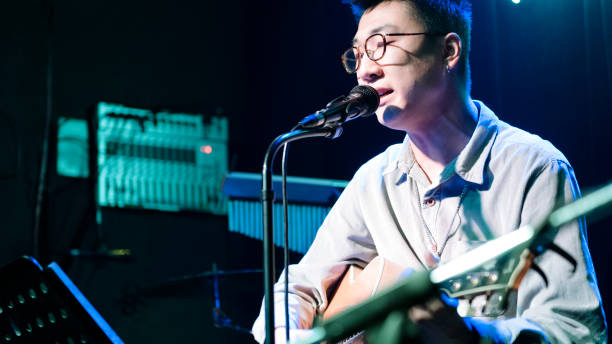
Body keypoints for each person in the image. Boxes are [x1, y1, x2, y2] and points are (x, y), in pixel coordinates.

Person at [252, 0, 607, 342]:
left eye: (381, 44)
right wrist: (289, 334)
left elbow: (577, 332)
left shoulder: (534, 168)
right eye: (358, 54)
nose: (365, 70)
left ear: (448, 51)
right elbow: (298, 286)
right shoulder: (374, 180)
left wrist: (472, 335)